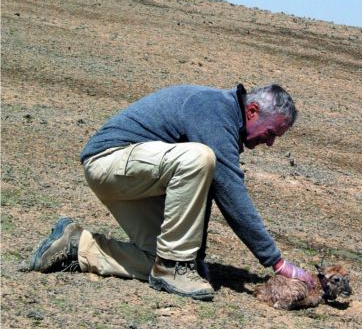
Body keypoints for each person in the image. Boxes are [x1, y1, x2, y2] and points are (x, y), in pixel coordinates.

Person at [29, 83, 314, 301]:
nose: (271, 143)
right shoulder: (215, 109)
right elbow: (229, 188)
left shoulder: (225, 120)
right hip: (109, 161)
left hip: (133, 177)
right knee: (200, 158)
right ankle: (174, 270)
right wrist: (277, 262)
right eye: (272, 133)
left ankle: (78, 246)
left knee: (157, 259)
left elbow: (204, 192)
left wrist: (197, 258)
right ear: (252, 111)